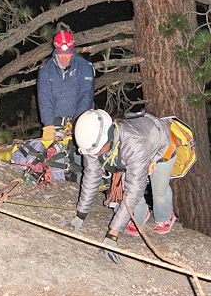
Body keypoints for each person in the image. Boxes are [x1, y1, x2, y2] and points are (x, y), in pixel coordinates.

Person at [71, 109, 177, 263]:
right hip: (130, 152)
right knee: (132, 189)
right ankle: (141, 214)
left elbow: (133, 191)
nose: (96, 155)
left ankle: (165, 216)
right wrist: (81, 213)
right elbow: (91, 177)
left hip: (161, 147)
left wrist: (113, 233)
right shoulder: (94, 142)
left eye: (99, 151)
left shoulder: (134, 145)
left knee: (158, 192)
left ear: (108, 137)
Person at [37, 30, 95, 141]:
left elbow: (86, 96)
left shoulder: (85, 67)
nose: (64, 58)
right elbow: (44, 98)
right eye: (60, 55)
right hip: (56, 123)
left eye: (67, 55)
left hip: (82, 120)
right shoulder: (45, 70)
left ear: (72, 52)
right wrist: (48, 125)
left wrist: (77, 123)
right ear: (55, 52)